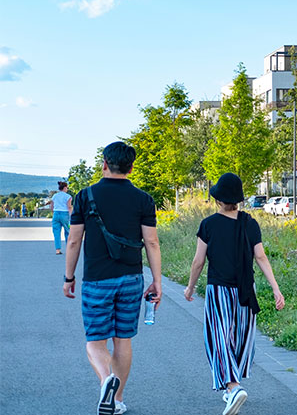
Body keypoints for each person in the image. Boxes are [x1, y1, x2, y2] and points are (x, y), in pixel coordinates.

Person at [63, 141, 162, 415]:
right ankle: (116, 401)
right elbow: (151, 243)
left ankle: (107, 380)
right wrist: (157, 280)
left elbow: (73, 241)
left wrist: (69, 277)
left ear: (104, 164)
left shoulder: (85, 196)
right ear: (131, 167)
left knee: (95, 342)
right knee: (123, 340)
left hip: (97, 280)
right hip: (132, 278)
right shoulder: (143, 199)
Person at [184, 172, 284, 415]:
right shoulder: (250, 223)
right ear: (238, 199)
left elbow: (198, 262)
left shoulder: (208, 224)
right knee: (240, 339)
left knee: (218, 338)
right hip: (245, 291)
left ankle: (233, 385)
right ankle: (231, 389)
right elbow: (260, 257)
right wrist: (275, 287)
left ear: (218, 199)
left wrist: (189, 287)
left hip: (219, 290)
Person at [49, 181, 73, 254]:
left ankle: (58, 250)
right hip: (64, 214)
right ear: (65, 188)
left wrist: (53, 213)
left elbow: (51, 206)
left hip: (56, 214)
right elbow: (69, 206)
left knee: (56, 233)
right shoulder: (68, 196)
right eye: (67, 188)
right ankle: (69, 249)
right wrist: (71, 215)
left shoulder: (55, 196)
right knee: (67, 232)